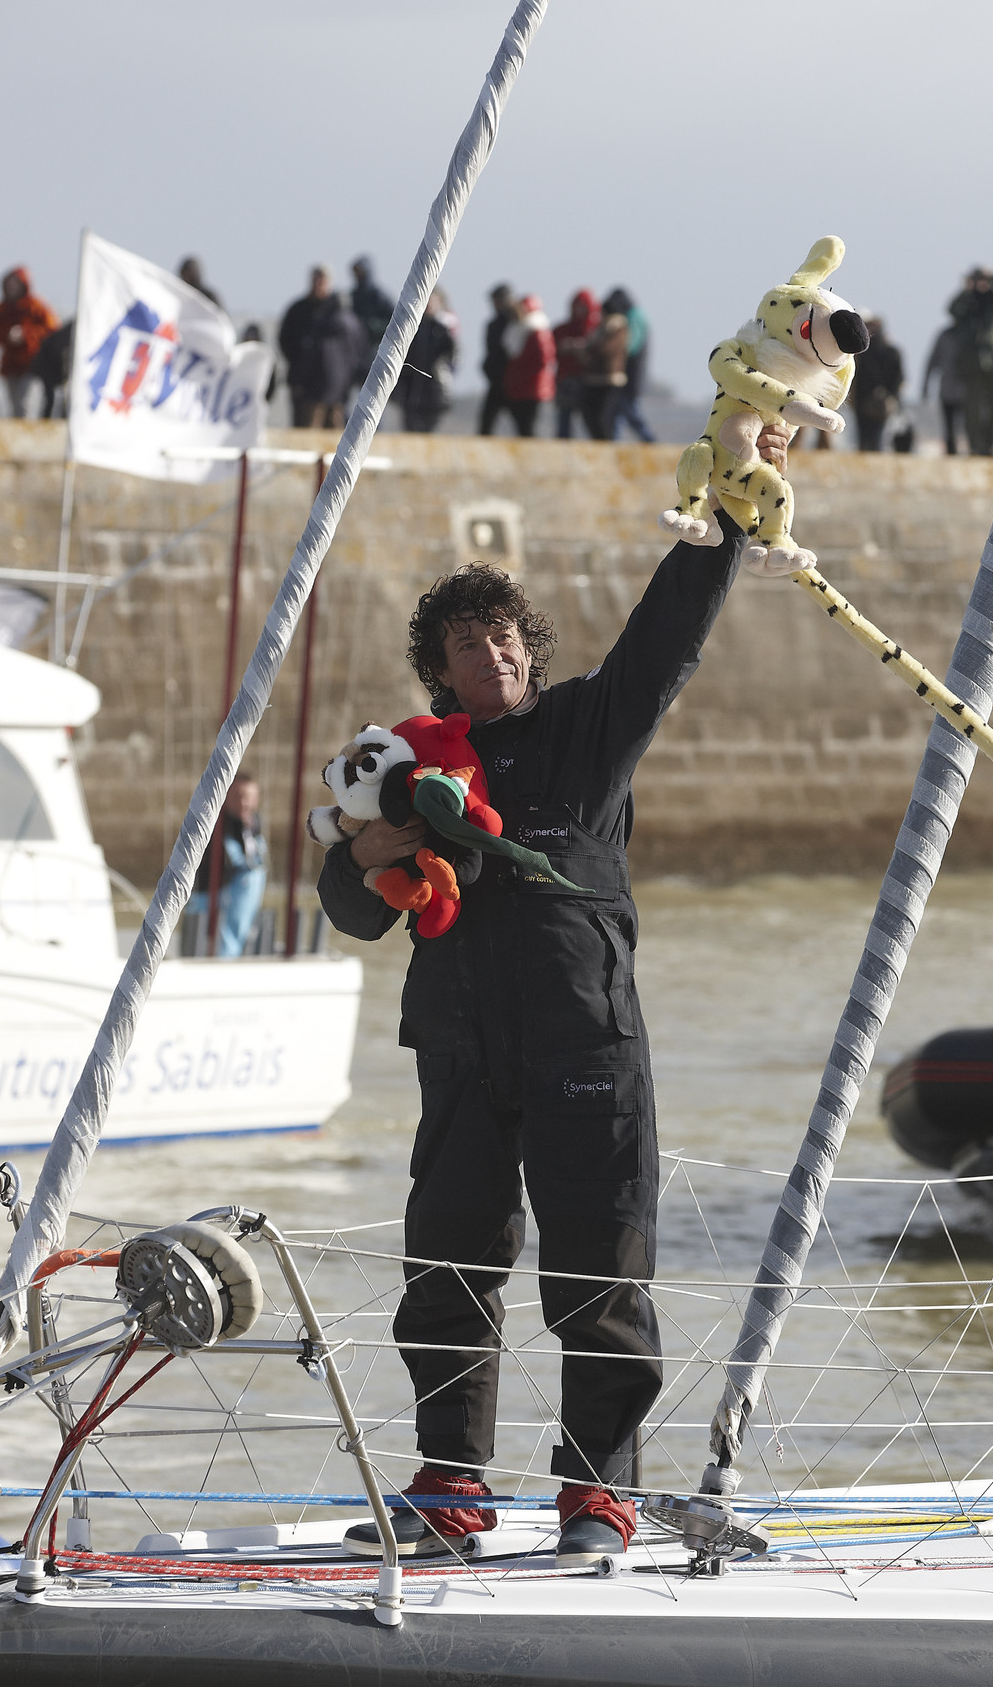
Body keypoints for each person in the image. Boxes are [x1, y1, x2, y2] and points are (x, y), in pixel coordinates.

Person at [318, 427, 792, 1562]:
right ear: (440, 670)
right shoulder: (403, 771)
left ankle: (598, 1495)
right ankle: (449, 1492)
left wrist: (728, 512)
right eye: (466, 644)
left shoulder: (587, 731)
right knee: (446, 1271)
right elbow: (353, 909)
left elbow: (664, 642)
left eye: (504, 637)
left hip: (590, 1052)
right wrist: (366, 844)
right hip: (464, 1061)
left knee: (601, 1274)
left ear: (527, 650)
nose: (493, 656)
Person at [187, 776, 269, 957]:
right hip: (211, 907)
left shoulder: (254, 825)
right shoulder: (214, 825)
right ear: (225, 797)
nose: (243, 803)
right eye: (237, 797)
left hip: (244, 908)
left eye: (248, 797)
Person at [279, 267, 360, 431]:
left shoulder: (341, 315)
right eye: (316, 279)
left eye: (322, 280)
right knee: (306, 438)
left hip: (336, 392)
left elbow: (354, 347)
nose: (318, 284)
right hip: (306, 389)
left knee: (336, 441)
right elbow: (285, 341)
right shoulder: (298, 311)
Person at [947, 268, 993, 457]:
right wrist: (966, 289)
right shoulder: (968, 301)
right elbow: (951, 310)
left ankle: (990, 446)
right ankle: (975, 446)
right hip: (972, 362)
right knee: (972, 407)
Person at [0, 267, 60, 419]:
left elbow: (52, 329)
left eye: (15, 284)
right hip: (10, 364)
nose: (12, 288)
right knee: (14, 404)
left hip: (31, 363)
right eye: (9, 284)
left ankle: (27, 434)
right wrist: (8, 335)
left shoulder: (36, 306)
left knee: (25, 403)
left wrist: (26, 333)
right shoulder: (3, 308)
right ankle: (17, 435)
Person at [393, 288, 458, 433]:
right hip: (411, 393)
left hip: (434, 392)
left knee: (429, 431)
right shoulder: (411, 329)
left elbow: (455, 354)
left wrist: (443, 369)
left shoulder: (442, 329)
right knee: (410, 429)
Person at [601, 286, 655, 442]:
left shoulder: (634, 316)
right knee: (618, 411)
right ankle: (615, 443)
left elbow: (631, 345)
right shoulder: (635, 315)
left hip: (632, 374)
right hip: (629, 374)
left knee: (629, 411)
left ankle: (650, 440)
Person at [502, 294, 555, 438]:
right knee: (521, 426)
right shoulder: (517, 330)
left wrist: (524, 372)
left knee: (527, 426)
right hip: (520, 386)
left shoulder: (538, 331)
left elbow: (544, 359)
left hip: (533, 386)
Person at [552, 289, 601, 439]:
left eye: (583, 306)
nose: (579, 309)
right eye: (577, 305)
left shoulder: (597, 329)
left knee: (591, 420)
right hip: (565, 379)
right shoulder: (561, 329)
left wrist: (582, 348)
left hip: (587, 381)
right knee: (564, 419)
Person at [851, 316, 904, 453]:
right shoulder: (862, 353)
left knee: (875, 436)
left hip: (874, 402)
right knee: (868, 437)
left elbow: (898, 378)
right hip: (865, 402)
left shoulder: (889, 352)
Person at [581, 296, 629, 439]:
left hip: (609, 379)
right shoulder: (602, 329)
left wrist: (589, 350)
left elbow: (606, 350)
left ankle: (605, 444)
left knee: (602, 417)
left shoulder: (617, 329)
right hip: (594, 379)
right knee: (590, 415)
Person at [922, 322, 968, 454]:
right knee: (949, 427)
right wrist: (925, 387)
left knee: (967, 427)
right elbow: (932, 361)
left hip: (967, 393)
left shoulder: (973, 334)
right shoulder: (945, 336)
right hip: (948, 391)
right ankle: (951, 452)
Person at [349, 255, 396, 383]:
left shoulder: (380, 297)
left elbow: (394, 323)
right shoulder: (351, 297)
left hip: (376, 350)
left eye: (361, 272)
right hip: (355, 353)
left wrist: (371, 325)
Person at [479, 285, 517, 435]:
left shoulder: (516, 324)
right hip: (496, 381)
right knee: (486, 424)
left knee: (523, 425)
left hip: (513, 382)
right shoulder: (492, 325)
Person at [32, 321, 74, 420]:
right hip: (48, 367)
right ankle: (49, 423)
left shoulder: (73, 329)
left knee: (56, 398)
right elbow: (62, 355)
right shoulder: (71, 333)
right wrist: (65, 377)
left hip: (52, 367)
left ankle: (56, 420)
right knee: (53, 398)